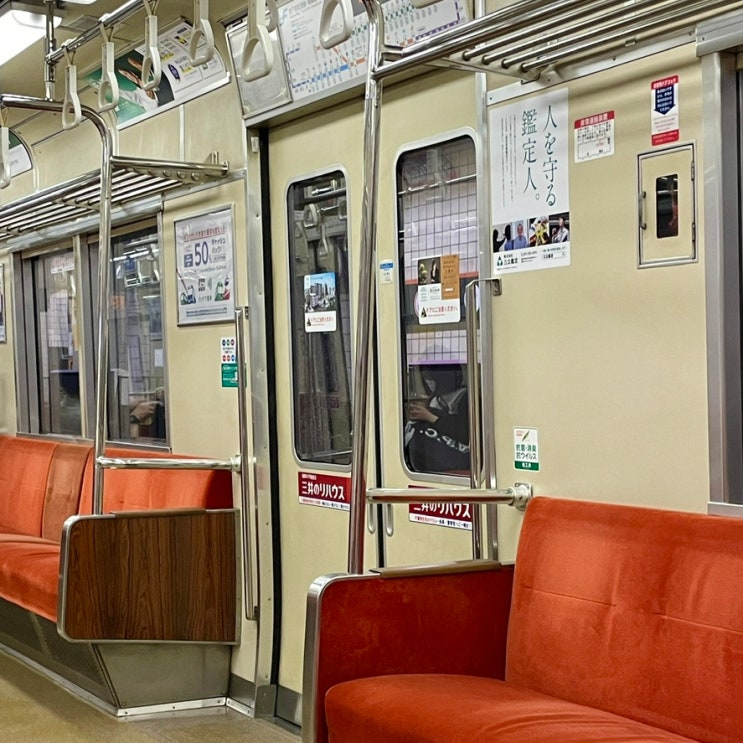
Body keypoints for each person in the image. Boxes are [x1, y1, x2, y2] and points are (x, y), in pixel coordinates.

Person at [404, 364, 470, 474]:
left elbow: (463, 433)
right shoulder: (436, 399)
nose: (428, 383)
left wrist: (430, 417)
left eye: (429, 379)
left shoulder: (465, 397)